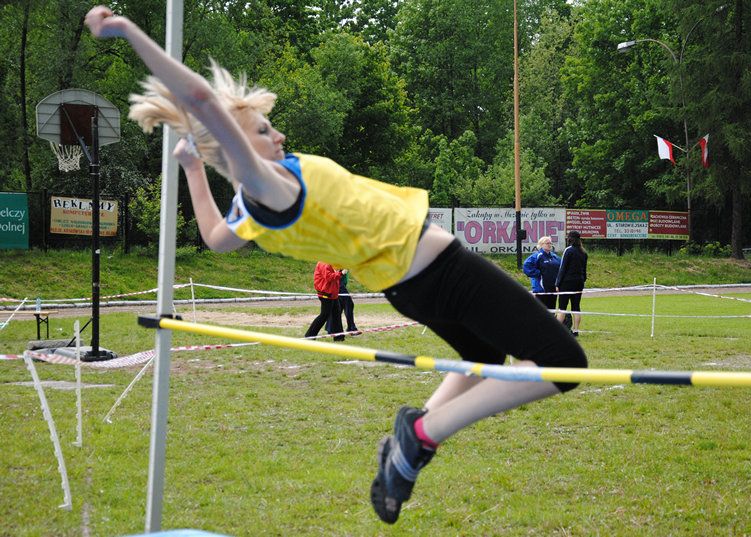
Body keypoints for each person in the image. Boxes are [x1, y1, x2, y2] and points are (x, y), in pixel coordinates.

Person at [84, 6, 587, 525]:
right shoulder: (271, 188)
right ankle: (421, 434)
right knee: (563, 362)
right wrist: (127, 31)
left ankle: (407, 447)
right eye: (264, 130)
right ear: (238, 151)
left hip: (409, 286)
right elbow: (200, 100)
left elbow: (215, 238)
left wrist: (192, 168)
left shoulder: (248, 211)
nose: (278, 136)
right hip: (439, 272)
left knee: (484, 355)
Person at [555, 231, 588, 336]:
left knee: (562, 307)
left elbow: (562, 268)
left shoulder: (568, 250)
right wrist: (582, 280)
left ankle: (556, 331)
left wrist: (557, 283)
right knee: (576, 307)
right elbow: (584, 270)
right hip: (579, 282)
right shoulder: (583, 252)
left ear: (570, 239)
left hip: (567, 282)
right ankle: (575, 330)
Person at [306, 262, 345, 341]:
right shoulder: (324, 263)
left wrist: (340, 270)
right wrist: (341, 273)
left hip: (332, 294)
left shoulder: (330, 262)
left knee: (336, 314)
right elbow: (329, 277)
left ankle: (339, 337)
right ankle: (309, 336)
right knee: (324, 315)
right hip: (325, 294)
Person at [326, 269, 360, 336]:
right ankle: (352, 328)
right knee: (349, 305)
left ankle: (330, 328)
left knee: (338, 307)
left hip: (340, 284)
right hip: (339, 285)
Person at [534, 236, 561, 312]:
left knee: (551, 309)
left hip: (553, 287)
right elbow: (527, 266)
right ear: (541, 245)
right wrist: (539, 274)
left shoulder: (555, 257)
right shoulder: (537, 256)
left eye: (550, 243)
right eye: (547, 243)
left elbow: (561, 267)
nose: (549, 245)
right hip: (542, 288)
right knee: (541, 310)